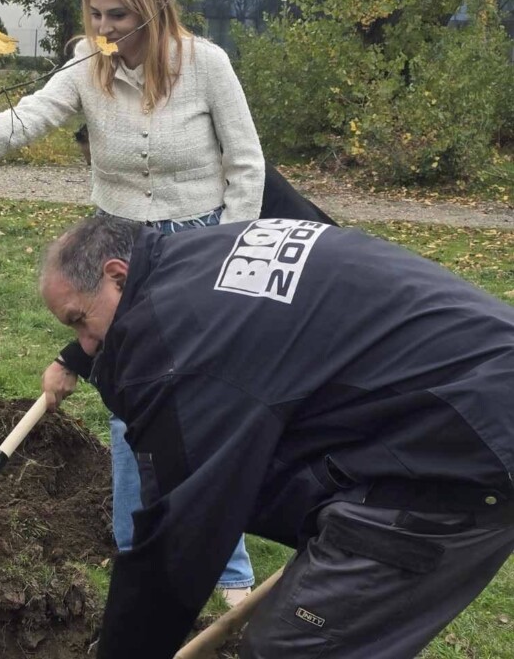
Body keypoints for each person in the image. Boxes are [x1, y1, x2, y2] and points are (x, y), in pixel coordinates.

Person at [0, 0, 266, 600]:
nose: (105, 28)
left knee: (201, 407)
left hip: (198, 248)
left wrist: (231, 253)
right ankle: (136, 548)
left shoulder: (206, 64)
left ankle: (232, 577)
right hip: (116, 250)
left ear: (152, 7)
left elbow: (246, 165)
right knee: (129, 399)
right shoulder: (86, 65)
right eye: (95, 14)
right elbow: (28, 116)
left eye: (117, 14)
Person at [40, 215, 514, 658]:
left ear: (118, 276)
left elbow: (178, 537)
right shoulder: (201, 254)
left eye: (80, 320)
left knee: (289, 645)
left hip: (467, 446)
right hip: (461, 386)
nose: (85, 343)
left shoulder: (179, 352)